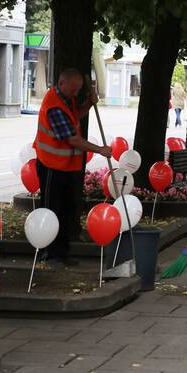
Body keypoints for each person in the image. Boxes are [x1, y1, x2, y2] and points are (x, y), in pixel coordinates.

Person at [34, 68, 112, 266]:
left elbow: (74, 117)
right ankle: (50, 254)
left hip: (65, 166)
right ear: (62, 84)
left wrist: (87, 104)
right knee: (53, 210)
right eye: (74, 90)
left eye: (78, 90)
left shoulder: (65, 99)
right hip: (52, 165)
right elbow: (71, 138)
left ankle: (62, 252)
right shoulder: (54, 105)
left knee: (67, 210)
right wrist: (100, 149)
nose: (76, 94)